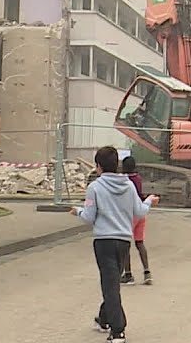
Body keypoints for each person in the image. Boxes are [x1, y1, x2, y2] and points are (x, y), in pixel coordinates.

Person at [74, 146, 158, 342]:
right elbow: (139, 211)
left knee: (110, 285)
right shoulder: (128, 185)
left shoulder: (94, 188)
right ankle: (104, 318)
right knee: (112, 283)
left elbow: (89, 217)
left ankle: (118, 330)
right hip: (123, 241)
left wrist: (77, 211)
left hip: (103, 241)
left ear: (98, 166)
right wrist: (148, 201)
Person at [118, 156, 152, 287]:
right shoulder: (138, 178)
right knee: (140, 243)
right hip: (141, 212)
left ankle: (128, 274)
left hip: (129, 214)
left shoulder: (124, 180)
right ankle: (147, 273)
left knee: (125, 244)